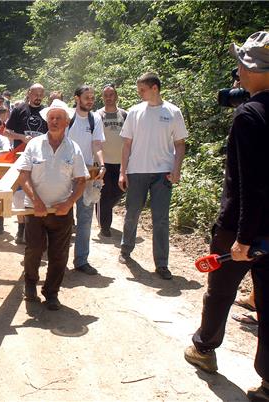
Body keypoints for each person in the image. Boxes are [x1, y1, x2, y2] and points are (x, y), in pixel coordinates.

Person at [184, 31, 269, 401]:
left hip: (242, 227)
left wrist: (244, 240)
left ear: (250, 70)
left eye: (240, 64)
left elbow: (251, 186)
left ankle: (204, 349)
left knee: (220, 291)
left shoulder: (249, 116)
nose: (236, 70)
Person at [18, 99, 88, 310]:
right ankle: (30, 284)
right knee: (34, 250)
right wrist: (37, 202)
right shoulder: (34, 144)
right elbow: (23, 176)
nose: (54, 121)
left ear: (67, 122)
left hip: (61, 211)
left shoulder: (73, 149)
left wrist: (69, 203)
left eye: (59, 118)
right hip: (35, 210)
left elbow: (81, 181)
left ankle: (51, 293)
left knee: (59, 255)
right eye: (51, 118)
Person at [117, 72, 188, 280]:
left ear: (154, 88)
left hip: (163, 173)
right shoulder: (134, 112)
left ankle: (162, 264)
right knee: (132, 213)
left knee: (161, 219)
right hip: (137, 170)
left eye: (142, 89)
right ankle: (125, 249)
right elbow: (127, 144)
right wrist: (123, 171)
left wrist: (177, 170)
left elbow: (180, 145)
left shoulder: (173, 112)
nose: (139, 93)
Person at [67, 85, 106, 275]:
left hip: (88, 174)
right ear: (77, 98)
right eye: (86, 97)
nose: (90, 100)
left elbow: (96, 143)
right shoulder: (67, 117)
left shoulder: (95, 118)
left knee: (85, 218)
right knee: (62, 216)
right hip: (65, 174)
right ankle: (56, 257)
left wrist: (102, 164)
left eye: (92, 97)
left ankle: (81, 260)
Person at [4, 83, 48, 244]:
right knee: (20, 195)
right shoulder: (19, 110)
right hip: (20, 157)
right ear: (29, 94)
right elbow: (6, 132)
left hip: (41, 160)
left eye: (41, 94)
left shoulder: (46, 112)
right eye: (35, 94)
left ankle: (36, 229)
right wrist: (22, 137)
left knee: (38, 192)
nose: (38, 97)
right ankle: (21, 228)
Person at [97, 84, 127, 237]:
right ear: (102, 97)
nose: (109, 98)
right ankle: (105, 226)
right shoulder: (97, 115)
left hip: (122, 161)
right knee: (106, 193)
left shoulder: (124, 115)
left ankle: (102, 208)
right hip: (104, 162)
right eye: (106, 95)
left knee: (119, 190)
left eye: (111, 95)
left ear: (116, 96)